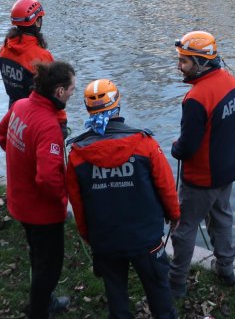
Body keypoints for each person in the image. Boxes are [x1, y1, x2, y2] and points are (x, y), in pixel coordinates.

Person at [65, 79, 180, 319]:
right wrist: (174, 215)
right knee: (159, 291)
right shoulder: (144, 144)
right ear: (118, 104)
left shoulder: (77, 154)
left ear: (88, 109)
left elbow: (77, 202)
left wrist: (88, 234)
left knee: (116, 296)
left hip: (105, 239)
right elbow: (166, 186)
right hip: (146, 238)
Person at [167, 31, 235, 298]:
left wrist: (175, 147)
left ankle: (176, 281)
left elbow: (187, 147)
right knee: (222, 218)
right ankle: (226, 269)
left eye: (184, 61)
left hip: (202, 176)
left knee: (184, 228)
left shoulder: (196, 98)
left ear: (201, 63)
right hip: (228, 168)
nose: (179, 66)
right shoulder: (232, 82)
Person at [0, 61, 76, 319]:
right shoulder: (48, 126)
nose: (73, 93)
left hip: (19, 201)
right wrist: (62, 202)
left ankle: (42, 301)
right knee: (50, 268)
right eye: (72, 89)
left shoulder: (20, 106)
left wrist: (20, 160)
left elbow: (2, 135)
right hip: (42, 212)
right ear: (59, 92)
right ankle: (40, 311)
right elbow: (48, 178)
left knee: (37, 256)